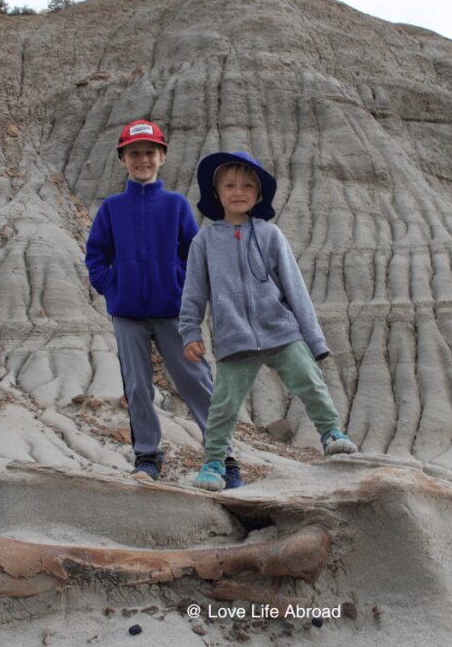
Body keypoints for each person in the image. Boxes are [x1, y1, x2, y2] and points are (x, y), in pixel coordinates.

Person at [179, 151, 357, 491]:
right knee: (224, 406)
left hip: (282, 331)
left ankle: (331, 433)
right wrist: (190, 332)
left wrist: (314, 340)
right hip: (236, 338)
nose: (239, 191)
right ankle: (214, 463)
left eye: (248, 185)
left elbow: (296, 290)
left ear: (259, 195)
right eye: (229, 185)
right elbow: (193, 294)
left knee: (310, 381)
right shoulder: (204, 241)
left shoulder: (271, 236)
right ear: (215, 193)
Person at [85, 120, 243, 489]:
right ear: (123, 158)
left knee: (196, 381)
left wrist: (184, 293)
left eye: (149, 153)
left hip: (173, 312)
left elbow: (195, 256)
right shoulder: (112, 208)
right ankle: (147, 456)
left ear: (163, 156)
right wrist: (113, 287)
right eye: (134, 153)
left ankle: (223, 458)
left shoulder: (176, 205)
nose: (143, 159)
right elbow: (96, 256)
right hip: (128, 315)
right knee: (138, 386)